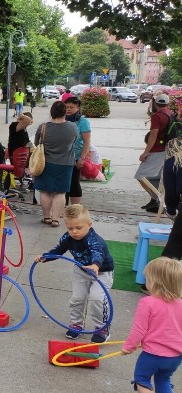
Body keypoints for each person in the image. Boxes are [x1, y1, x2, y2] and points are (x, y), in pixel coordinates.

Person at [36, 204, 114, 343]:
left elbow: (97, 252)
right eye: (70, 228)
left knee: (97, 299)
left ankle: (102, 327)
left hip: (101, 272)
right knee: (77, 298)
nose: (74, 232)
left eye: (78, 228)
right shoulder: (68, 237)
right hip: (81, 270)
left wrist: (95, 265)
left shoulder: (94, 239)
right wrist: (45, 257)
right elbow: (58, 250)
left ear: (89, 225)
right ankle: (76, 324)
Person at [121, 257, 182, 393]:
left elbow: (139, 329)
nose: (146, 282)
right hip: (176, 357)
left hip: (153, 355)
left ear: (155, 282)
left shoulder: (147, 302)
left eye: (147, 279)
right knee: (163, 380)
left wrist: (129, 346)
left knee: (142, 379)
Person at [34, 101, 77, 228]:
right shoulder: (72, 127)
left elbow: (37, 144)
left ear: (51, 112)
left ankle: (46, 217)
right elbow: (73, 141)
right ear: (64, 112)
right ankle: (55, 219)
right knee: (60, 192)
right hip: (65, 163)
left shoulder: (43, 127)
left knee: (45, 191)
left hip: (45, 163)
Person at [139, 94, 174, 213]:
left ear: (155, 103)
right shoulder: (170, 114)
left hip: (157, 150)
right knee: (155, 177)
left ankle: (156, 200)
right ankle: (154, 200)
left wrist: (146, 152)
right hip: (166, 149)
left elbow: (154, 134)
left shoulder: (157, 116)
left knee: (140, 176)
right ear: (168, 104)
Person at [64, 97, 92, 205]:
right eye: (67, 107)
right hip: (63, 157)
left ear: (78, 108)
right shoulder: (62, 119)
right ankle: (62, 207)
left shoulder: (83, 121)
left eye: (72, 107)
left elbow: (87, 141)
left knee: (73, 182)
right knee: (63, 183)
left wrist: (82, 158)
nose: (69, 109)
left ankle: (75, 208)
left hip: (76, 157)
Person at [161, 138, 182, 259]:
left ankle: (165, 276)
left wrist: (171, 211)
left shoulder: (173, 161)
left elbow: (170, 193)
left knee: (173, 251)